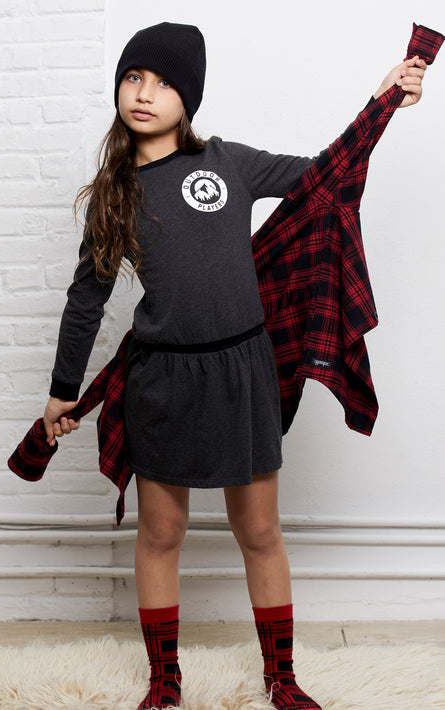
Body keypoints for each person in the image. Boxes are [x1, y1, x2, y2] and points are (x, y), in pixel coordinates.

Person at [41, 22, 426, 710]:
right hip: (163, 381)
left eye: (164, 82)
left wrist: (382, 102)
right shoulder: (114, 194)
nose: (144, 93)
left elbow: (325, 176)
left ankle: (281, 676)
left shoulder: (227, 162)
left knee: (259, 531)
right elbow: (85, 300)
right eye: (133, 77)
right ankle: (165, 680)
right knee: (161, 534)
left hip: (243, 374)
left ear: (187, 98)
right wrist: (61, 391)